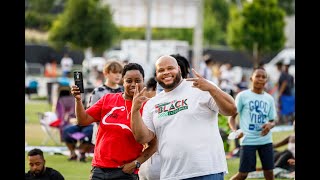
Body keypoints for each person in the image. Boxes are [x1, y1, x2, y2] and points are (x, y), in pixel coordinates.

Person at [130, 55, 237, 180]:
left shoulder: (201, 87)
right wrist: (135, 110)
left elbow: (231, 109)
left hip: (206, 171)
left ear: (179, 69)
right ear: (156, 75)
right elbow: (143, 138)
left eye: (170, 68)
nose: (166, 73)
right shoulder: (152, 104)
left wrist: (212, 89)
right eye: (161, 70)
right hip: (171, 174)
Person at [70, 63, 157, 180]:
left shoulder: (149, 106)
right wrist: (78, 100)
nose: (133, 84)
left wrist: (137, 163)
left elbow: (154, 144)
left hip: (125, 172)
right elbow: (82, 120)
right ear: (123, 81)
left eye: (137, 80)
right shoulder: (108, 99)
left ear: (143, 81)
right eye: (129, 80)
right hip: (99, 170)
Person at [228, 67, 277, 180]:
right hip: (248, 140)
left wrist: (270, 125)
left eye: (263, 77)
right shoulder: (242, 96)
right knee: (243, 174)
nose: (260, 79)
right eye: (257, 76)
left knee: (269, 173)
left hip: (266, 140)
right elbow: (232, 118)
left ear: (266, 80)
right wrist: (236, 131)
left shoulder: (269, 98)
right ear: (251, 78)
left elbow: (273, 120)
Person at [88, 60, 124, 145]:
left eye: (120, 72)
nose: (118, 75)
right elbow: (91, 113)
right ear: (106, 73)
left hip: (121, 132)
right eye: (115, 72)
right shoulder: (98, 92)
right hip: (102, 131)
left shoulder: (124, 91)